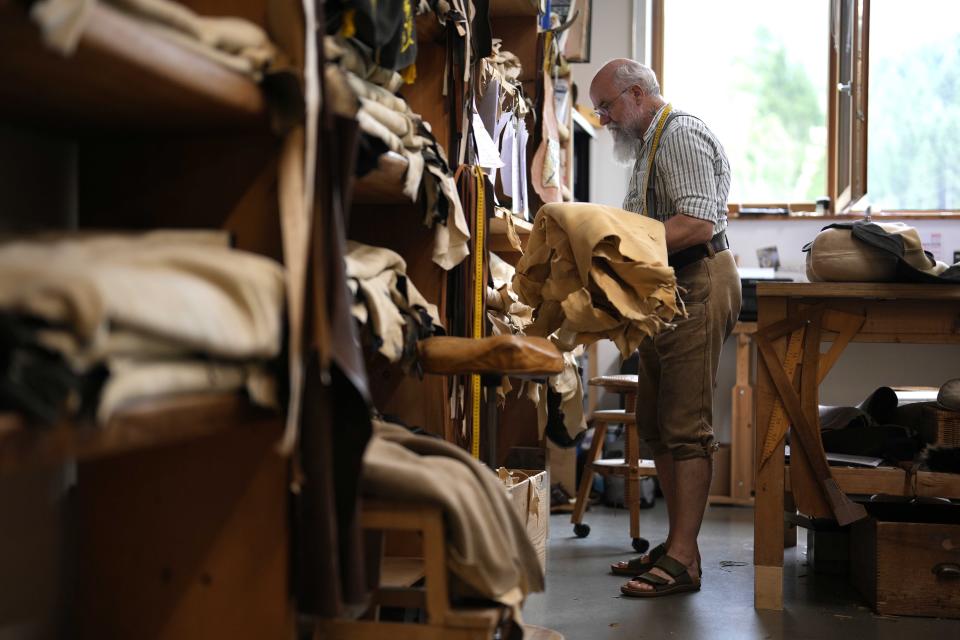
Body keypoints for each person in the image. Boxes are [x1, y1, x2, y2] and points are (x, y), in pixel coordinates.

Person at [589, 59, 741, 597]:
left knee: (684, 426)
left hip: (698, 280)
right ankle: (682, 546)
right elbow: (654, 224)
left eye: (607, 106)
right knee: (655, 422)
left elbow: (697, 222)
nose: (602, 117)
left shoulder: (679, 135)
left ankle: (682, 557)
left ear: (636, 93)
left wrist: (613, 245)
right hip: (669, 291)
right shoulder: (650, 146)